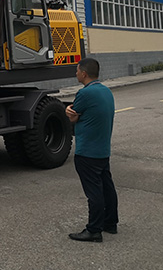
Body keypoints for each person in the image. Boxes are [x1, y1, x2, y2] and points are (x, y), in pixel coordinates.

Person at [66, 58, 119, 243]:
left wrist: (67, 111)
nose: (76, 73)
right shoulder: (106, 91)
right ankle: (110, 223)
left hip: (87, 151)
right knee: (107, 187)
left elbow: (73, 117)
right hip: (102, 150)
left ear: (84, 73)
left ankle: (94, 230)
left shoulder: (85, 93)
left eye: (77, 70)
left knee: (94, 192)